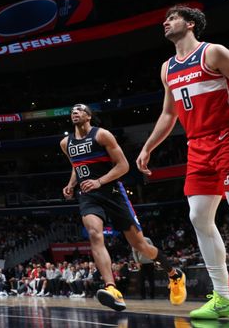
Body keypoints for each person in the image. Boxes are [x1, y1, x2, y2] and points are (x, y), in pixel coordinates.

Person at [137, 5, 229, 320]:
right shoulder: (167, 68)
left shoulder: (214, 53)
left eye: (172, 18)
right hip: (196, 146)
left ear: (190, 23)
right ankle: (225, 298)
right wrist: (148, 147)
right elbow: (169, 114)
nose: (165, 22)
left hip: (227, 135)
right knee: (198, 216)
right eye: (165, 19)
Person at [60, 103, 186, 312]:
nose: (75, 112)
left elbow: (123, 166)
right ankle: (112, 288)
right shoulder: (66, 143)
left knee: (140, 245)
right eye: (72, 110)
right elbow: (77, 165)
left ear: (89, 116)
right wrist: (71, 184)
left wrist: (99, 181)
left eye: (80, 110)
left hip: (112, 193)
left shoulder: (102, 135)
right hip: (88, 196)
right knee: (94, 235)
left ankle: (173, 273)